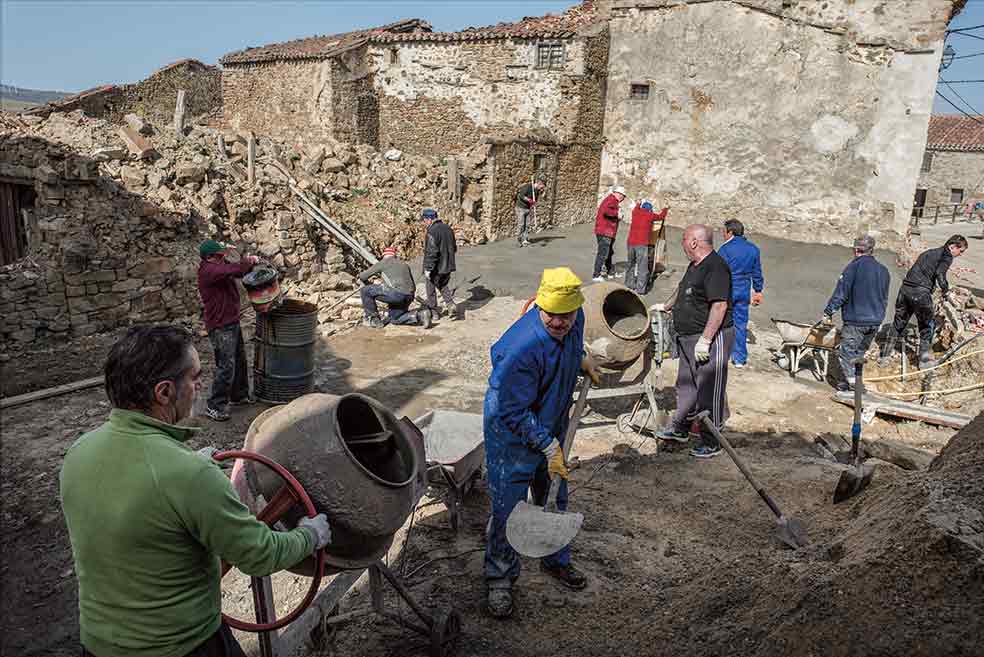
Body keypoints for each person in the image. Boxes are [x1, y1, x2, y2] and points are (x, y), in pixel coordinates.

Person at [60, 325, 332, 657]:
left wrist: (190, 466)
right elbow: (259, 555)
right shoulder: (190, 476)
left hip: (97, 644)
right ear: (164, 392)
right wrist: (309, 535)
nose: (199, 386)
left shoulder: (78, 453)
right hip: (184, 646)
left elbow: (141, 498)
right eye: (194, 377)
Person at [482, 267, 601, 618]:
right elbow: (512, 411)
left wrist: (579, 359)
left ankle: (555, 557)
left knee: (554, 492)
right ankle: (500, 577)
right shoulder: (520, 347)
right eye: (552, 315)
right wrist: (546, 445)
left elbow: (568, 346)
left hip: (552, 419)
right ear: (540, 306)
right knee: (508, 506)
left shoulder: (575, 319)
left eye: (567, 315)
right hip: (512, 434)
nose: (560, 322)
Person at [656, 225, 735, 459]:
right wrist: (665, 306)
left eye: (683, 239)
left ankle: (712, 441)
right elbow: (682, 290)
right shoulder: (695, 265)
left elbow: (719, 305)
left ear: (693, 242)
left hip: (709, 338)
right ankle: (681, 428)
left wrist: (706, 340)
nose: (681, 244)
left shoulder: (716, 267)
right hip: (688, 337)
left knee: (708, 389)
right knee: (686, 385)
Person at [880, 234, 968, 368]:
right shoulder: (946, 256)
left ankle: (884, 357)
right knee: (927, 326)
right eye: (960, 251)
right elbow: (940, 274)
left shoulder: (929, 253)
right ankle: (924, 362)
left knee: (898, 323)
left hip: (905, 290)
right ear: (952, 247)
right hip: (920, 294)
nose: (960, 254)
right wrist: (946, 290)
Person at [197, 239, 258, 422]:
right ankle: (214, 406)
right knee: (226, 366)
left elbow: (234, 269)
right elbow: (236, 269)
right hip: (220, 325)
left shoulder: (217, 265)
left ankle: (238, 395)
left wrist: (228, 254)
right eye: (219, 256)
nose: (222, 258)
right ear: (209, 257)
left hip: (231, 320)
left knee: (239, 360)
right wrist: (249, 260)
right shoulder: (209, 271)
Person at [821, 235, 890, 391]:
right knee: (858, 355)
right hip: (875, 321)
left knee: (846, 353)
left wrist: (828, 312)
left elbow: (841, 293)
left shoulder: (854, 267)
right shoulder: (884, 271)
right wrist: (879, 318)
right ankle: (850, 384)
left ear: (857, 250)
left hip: (856, 321)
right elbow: (884, 298)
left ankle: (856, 387)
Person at [717, 219, 764, 369]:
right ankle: (739, 359)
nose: (723, 234)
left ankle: (720, 353)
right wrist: (758, 291)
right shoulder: (753, 249)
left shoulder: (725, 249)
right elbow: (757, 272)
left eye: (724, 231)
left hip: (728, 289)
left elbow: (717, 271)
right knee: (741, 324)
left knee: (720, 320)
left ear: (730, 232)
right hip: (744, 290)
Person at [357, 246, 432, 329]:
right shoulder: (404, 264)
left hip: (397, 294)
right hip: (409, 296)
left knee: (365, 291)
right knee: (395, 319)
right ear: (394, 255)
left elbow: (363, 276)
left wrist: (367, 282)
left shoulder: (384, 262)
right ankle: (420, 315)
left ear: (384, 255)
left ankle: (374, 320)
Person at [421, 208, 463, 320]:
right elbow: (454, 248)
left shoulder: (432, 231)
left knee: (430, 288)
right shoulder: (448, 229)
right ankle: (450, 304)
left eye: (424, 220)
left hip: (436, 267)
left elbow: (432, 252)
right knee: (442, 284)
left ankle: (434, 312)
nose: (424, 223)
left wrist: (428, 268)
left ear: (429, 219)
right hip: (448, 265)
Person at [624, 200, 668, 294]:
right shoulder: (650, 215)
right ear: (650, 210)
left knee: (630, 264)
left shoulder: (635, 212)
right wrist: (665, 209)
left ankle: (629, 283)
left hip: (630, 243)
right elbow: (661, 216)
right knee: (642, 267)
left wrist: (638, 203)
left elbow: (636, 207)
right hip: (641, 244)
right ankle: (640, 289)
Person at [592, 185, 626, 282]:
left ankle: (610, 272)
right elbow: (606, 211)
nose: (623, 198)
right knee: (603, 253)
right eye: (623, 196)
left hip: (608, 232)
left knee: (609, 252)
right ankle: (596, 275)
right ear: (619, 194)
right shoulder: (611, 200)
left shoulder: (612, 200)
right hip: (605, 231)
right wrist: (617, 214)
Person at [516, 177, 546, 247]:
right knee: (521, 225)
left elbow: (535, 200)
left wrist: (534, 203)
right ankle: (519, 240)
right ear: (539, 183)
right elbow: (521, 195)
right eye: (541, 187)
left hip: (528, 208)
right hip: (521, 208)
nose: (541, 189)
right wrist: (529, 200)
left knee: (527, 225)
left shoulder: (537, 191)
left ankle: (525, 239)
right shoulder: (528, 186)